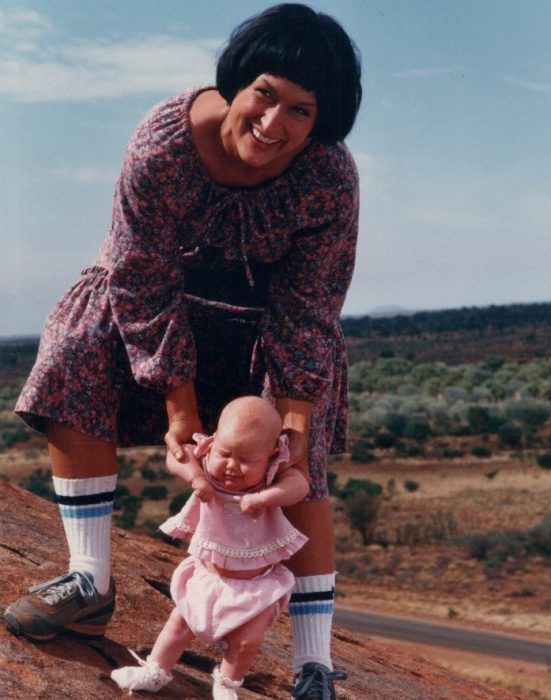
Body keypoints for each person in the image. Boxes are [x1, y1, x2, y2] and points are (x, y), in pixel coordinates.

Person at [6, 3, 361, 698]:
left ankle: (314, 664)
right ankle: (89, 580)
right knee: (79, 334)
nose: (274, 122)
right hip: (155, 317)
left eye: (302, 110)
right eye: (265, 93)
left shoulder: (328, 178)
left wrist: (288, 432)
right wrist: (180, 412)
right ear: (237, 82)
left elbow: (308, 311)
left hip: (260, 329)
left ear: (321, 122)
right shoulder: (164, 145)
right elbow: (140, 280)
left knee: (299, 438)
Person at [111, 395, 310, 698]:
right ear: (213, 442)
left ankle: (227, 684)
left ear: (271, 456)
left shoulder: (272, 476)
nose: (232, 466)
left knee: (247, 641)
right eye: (226, 453)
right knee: (178, 625)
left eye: (247, 461)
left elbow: (300, 485)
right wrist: (194, 478)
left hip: (255, 588)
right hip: (208, 578)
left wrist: (265, 498)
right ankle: (156, 671)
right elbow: (176, 456)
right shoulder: (205, 463)